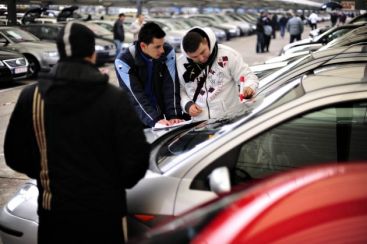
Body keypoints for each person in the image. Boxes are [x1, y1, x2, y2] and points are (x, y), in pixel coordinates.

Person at [4, 21, 149, 244]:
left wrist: (46, 172)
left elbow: (15, 155)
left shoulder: (32, 97)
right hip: (104, 214)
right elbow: (136, 161)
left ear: (60, 52)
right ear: (92, 53)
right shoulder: (114, 99)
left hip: (55, 215)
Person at [177, 27, 259, 121]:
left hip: (232, 118)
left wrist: (248, 87)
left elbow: (248, 76)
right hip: (201, 123)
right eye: (194, 57)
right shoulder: (181, 64)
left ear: (206, 41)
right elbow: (179, 90)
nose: (201, 58)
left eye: (203, 52)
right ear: (187, 54)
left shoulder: (227, 54)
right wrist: (187, 105)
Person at [115, 22, 183, 128]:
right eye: (157, 47)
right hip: (135, 118)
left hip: (158, 116)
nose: (162, 50)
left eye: (163, 44)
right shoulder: (124, 61)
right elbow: (135, 96)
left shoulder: (168, 52)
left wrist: (174, 115)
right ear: (143, 46)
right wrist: (154, 120)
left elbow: (171, 85)